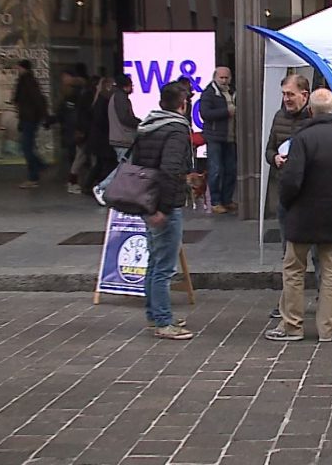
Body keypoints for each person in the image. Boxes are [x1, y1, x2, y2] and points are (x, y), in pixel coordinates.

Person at [266, 89, 332, 342]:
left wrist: (287, 204)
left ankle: (293, 325)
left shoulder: (302, 138)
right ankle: (327, 328)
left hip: (303, 214)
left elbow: (291, 180)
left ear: (310, 110)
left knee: (293, 270)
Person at [132, 82, 194, 340]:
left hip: (147, 199)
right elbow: (170, 170)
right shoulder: (177, 130)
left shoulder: (148, 126)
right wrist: (164, 208)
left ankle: (155, 313)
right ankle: (163, 322)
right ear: (183, 104)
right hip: (164, 203)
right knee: (164, 267)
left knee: (154, 260)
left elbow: (139, 164)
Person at [264, 74, 312, 319]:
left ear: (305, 95)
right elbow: (269, 149)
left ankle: (321, 300)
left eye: (290, 94)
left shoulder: (315, 119)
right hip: (286, 192)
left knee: (317, 252)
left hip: (310, 194)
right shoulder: (278, 116)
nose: (286, 99)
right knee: (288, 252)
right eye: (284, 94)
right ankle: (287, 302)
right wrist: (274, 158)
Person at [93, 74, 140, 205]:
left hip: (121, 137)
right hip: (122, 137)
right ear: (126, 86)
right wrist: (139, 123)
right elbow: (124, 118)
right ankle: (101, 187)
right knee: (124, 168)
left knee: (125, 167)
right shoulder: (120, 98)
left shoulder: (117, 97)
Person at [200, 66, 238, 214]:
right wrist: (226, 112)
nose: (224, 80)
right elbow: (205, 113)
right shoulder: (209, 93)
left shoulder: (232, 91)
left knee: (231, 170)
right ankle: (215, 201)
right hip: (215, 137)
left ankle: (226, 199)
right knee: (215, 169)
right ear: (215, 77)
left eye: (226, 77)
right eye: (221, 77)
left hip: (230, 137)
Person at [11, 59, 49, 189]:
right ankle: (39, 167)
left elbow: (36, 100)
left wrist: (44, 116)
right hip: (29, 118)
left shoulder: (26, 81)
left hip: (29, 119)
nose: (17, 69)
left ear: (22, 68)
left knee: (26, 147)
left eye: (18, 67)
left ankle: (35, 174)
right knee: (28, 146)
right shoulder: (28, 81)